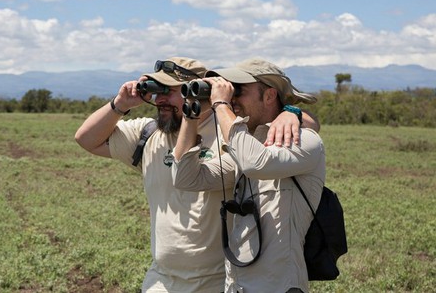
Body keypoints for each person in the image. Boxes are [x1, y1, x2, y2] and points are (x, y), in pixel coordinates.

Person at [74, 57, 318, 292]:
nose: (159, 100)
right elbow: (86, 139)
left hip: (219, 280)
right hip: (162, 279)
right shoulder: (148, 134)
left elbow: (273, 131)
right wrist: (121, 104)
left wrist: (291, 112)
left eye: (168, 91)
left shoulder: (231, 130)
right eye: (156, 92)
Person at [172, 58, 325, 293]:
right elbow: (186, 178)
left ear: (269, 96)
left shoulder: (304, 141)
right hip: (236, 285)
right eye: (228, 90)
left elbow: (256, 163)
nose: (232, 98)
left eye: (238, 90)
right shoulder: (245, 147)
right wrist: (190, 116)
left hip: (278, 286)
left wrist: (221, 103)